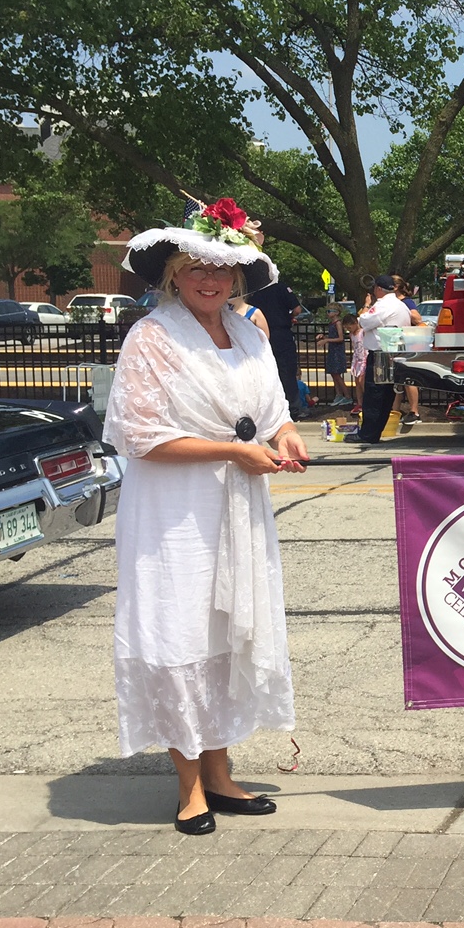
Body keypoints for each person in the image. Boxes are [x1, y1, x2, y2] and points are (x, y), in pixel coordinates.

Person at [105, 208, 310, 835]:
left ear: (239, 277)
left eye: (222, 269)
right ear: (173, 273)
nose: (209, 279)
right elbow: (138, 435)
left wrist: (287, 434)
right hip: (176, 513)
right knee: (179, 630)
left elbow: (273, 408)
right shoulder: (152, 338)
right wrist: (232, 450)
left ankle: (220, 775)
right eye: (196, 268)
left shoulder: (249, 333)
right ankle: (188, 786)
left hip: (237, 504)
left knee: (224, 630)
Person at [353, 274, 410, 443]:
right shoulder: (401, 305)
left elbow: (364, 321)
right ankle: (375, 432)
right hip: (395, 353)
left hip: (380, 354)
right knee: (386, 396)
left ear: (378, 289)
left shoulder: (383, 305)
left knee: (374, 395)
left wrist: (366, 305)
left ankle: (368, 435)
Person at [246, 274, 303, 417]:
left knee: (264, 371)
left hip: (259, 333)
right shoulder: (281, 288)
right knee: (287, 371)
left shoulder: (252, 290)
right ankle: (292, 409)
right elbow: (297, 309)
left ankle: (268, 410)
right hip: (281, 333)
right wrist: (287, 316)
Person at [392, 275, 423, 425]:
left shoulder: (406, 302)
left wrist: (403, 311)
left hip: (406, 343)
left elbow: (418, 319)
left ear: (395, 287)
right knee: (397, 379)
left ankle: (414, 411)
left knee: (408, 378)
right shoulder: (391, 302)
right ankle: (394, 411)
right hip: (393, 344)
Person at [318, 304, 351, 406]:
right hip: (332, 350)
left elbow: (341, 338)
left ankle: (348, 396)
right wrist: (324, 336)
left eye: (330, 311)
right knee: (333, 373)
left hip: (337, 351)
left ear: (336, 312)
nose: (328, 313)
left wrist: (326, 340)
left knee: (337, 374)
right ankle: (339, 394)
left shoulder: (338, 323)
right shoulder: (331, 324)